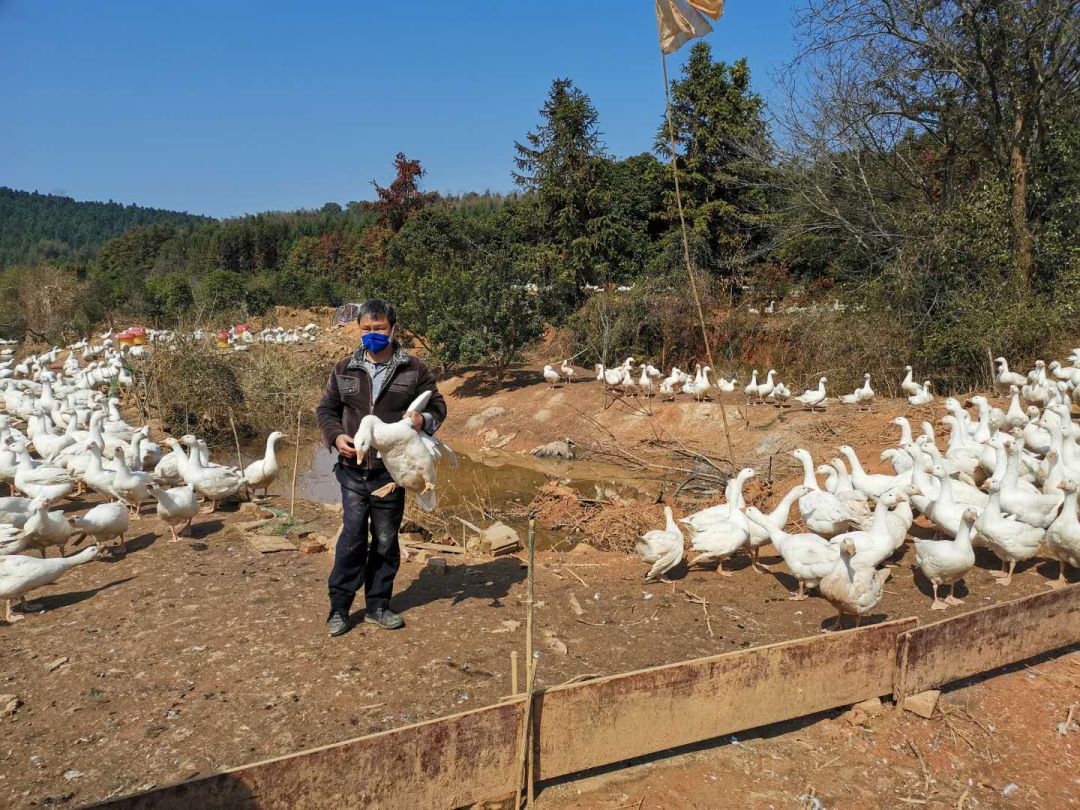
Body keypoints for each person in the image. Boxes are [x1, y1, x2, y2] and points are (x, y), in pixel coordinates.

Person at [316, 299, 447, 637]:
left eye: (380, 328)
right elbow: (327, 410)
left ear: (393, 329)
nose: (373, 335)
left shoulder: (414, 369)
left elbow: (438, 406)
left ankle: (377, 605)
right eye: (367, 329)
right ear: (358, 330)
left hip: (392, 474)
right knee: (353, 538)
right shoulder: (344, 369)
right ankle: (339, 608)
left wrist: (424, 419)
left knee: (387, 540)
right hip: (352, 470)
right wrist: (336, 436)